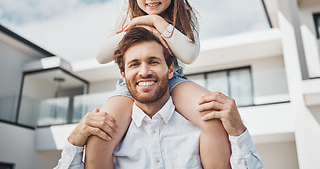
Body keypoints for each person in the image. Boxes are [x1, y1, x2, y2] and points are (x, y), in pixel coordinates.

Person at [86, 0, 232, 169]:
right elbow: (101, 55)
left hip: (174, 80)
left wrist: (156, 21)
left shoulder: (185, 15)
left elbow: (189, 55)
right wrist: (140, 27)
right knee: (100, 134)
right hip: (130, 87)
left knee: (211, 116)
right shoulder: (127, 15)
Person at [54, 27, 264, 168]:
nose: (144, 72)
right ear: (122, 75)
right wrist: (74, 142)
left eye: (153, 61)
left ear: (171, 69)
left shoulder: (205, 128)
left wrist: (238, 131)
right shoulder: (106, 136)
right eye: (134, 64)